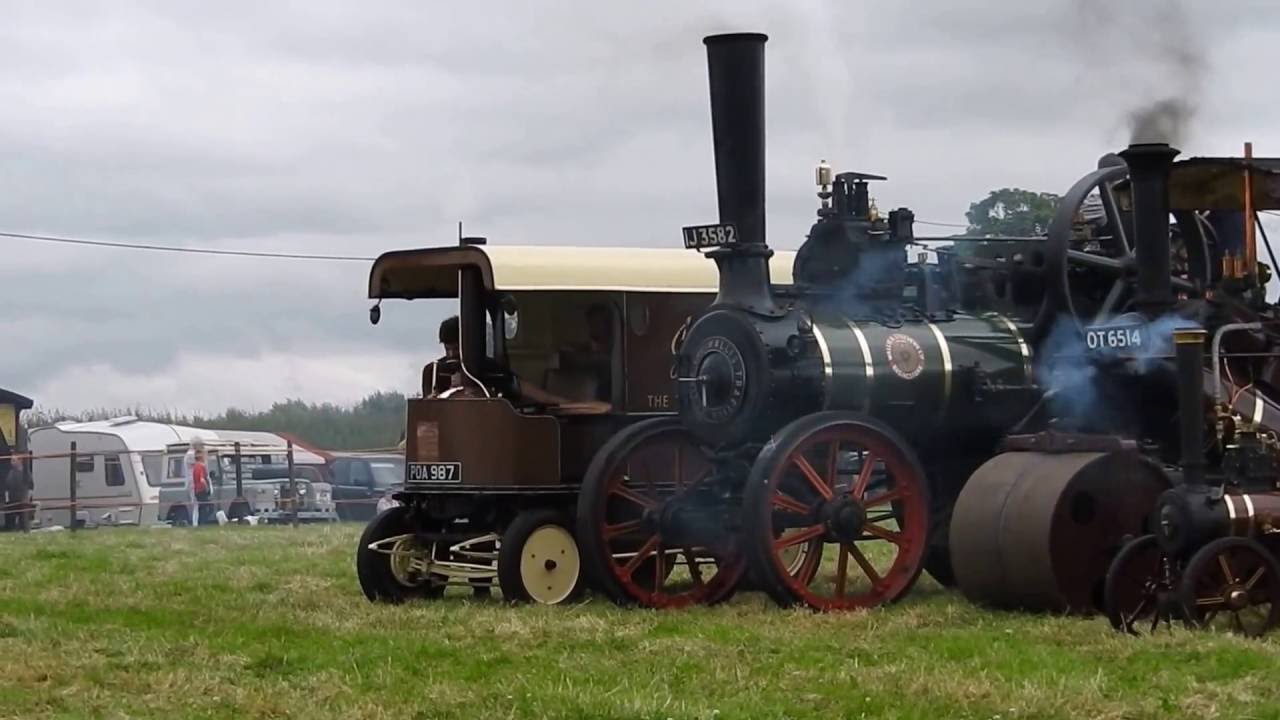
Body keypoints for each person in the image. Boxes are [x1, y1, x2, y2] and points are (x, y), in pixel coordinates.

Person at [424, 315, 602, 410]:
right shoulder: (433, 371)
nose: (452, 354)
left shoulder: (490, 370)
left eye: (457, 348)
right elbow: (426, 411)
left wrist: (573, 404)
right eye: (448, 349)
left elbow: (532, 392)